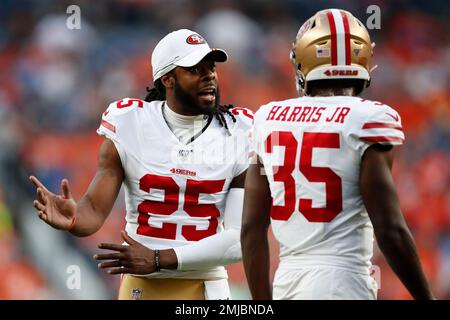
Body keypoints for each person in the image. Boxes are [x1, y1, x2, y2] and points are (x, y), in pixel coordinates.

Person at [29, 29, 253, 300]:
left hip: (207, 286)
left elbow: (240, 238)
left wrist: (159, 258)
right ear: (168, 78)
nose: (209, 76)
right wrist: (74, 218)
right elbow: (94, 211)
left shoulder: (239, 131)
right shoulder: (130, 123)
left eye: (211, 67)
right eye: (195, 69)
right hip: (143, 287)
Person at [241, 9, 434, 300]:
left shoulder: (267, 118)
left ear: (303, 59)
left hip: (288, 282)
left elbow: (251, 228)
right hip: (343, 282)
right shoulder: (369, 118)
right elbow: (390, 230)